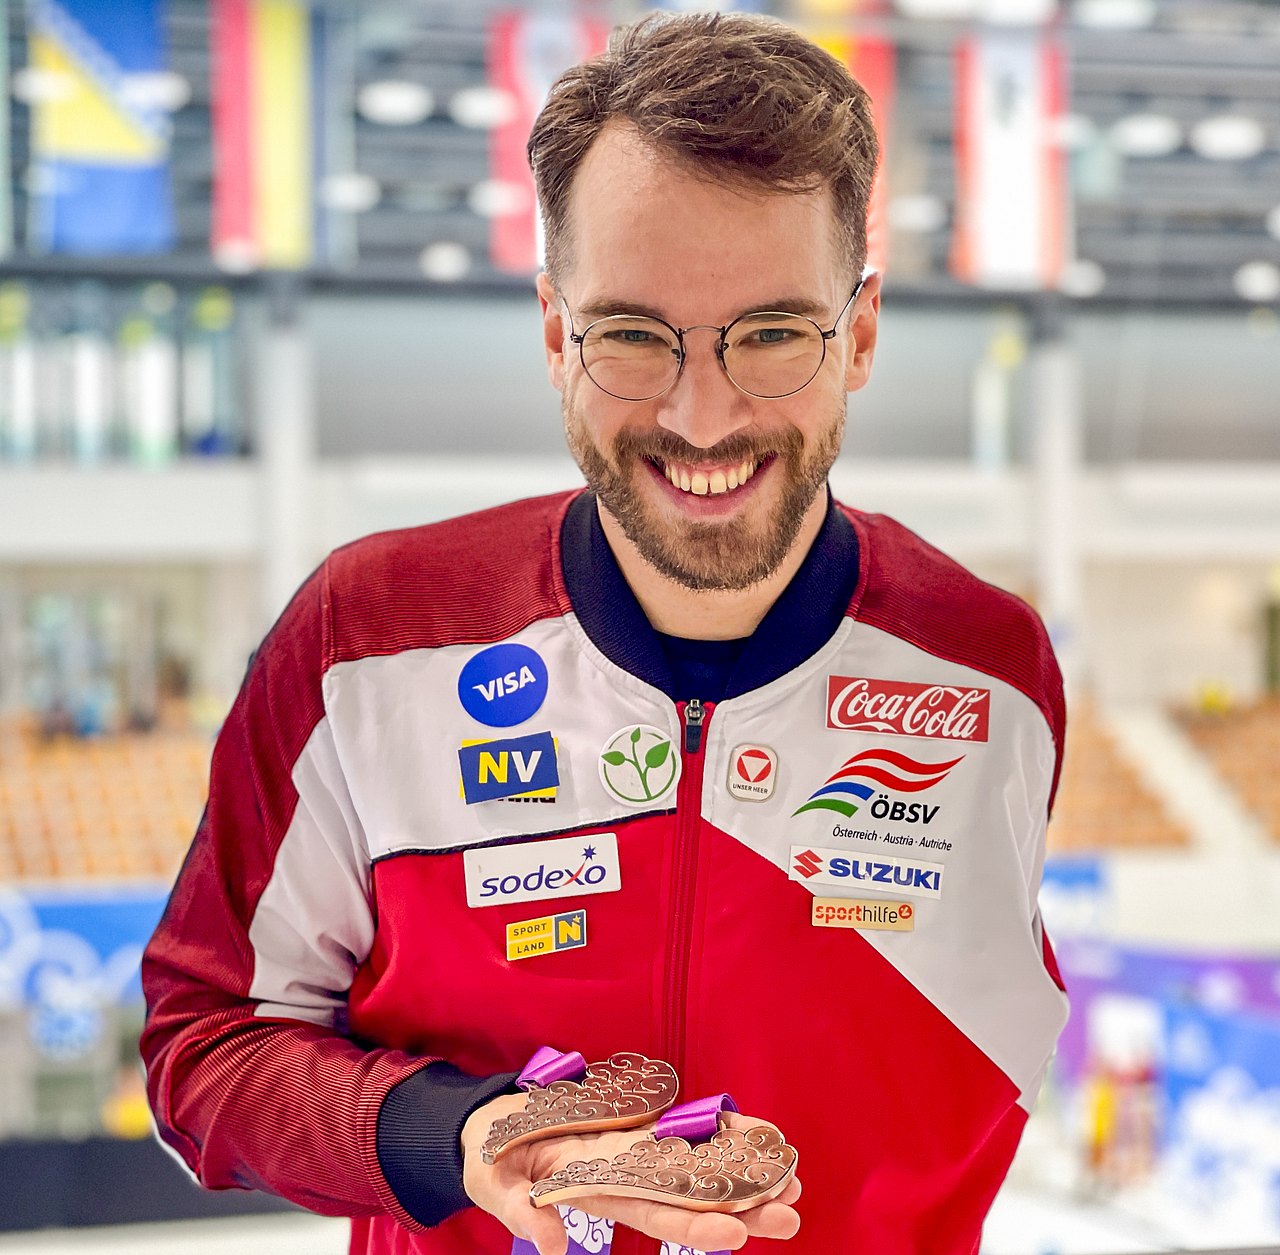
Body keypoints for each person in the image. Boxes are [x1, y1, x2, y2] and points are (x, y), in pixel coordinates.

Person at [141, 12, 1069, 1255]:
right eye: (631, 334)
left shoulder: (987, 674)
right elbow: (204, 1044)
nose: (701, 414)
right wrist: (457, 1138)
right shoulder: (365, 642)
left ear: (854, 334)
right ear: (551, 332)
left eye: (774, 333)